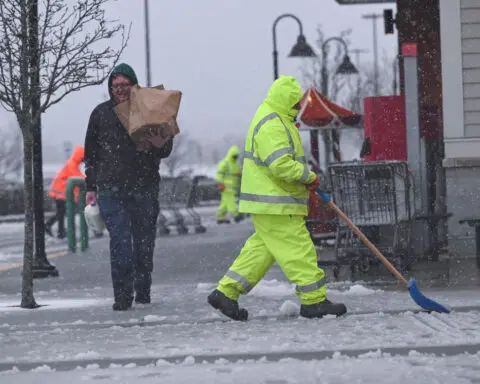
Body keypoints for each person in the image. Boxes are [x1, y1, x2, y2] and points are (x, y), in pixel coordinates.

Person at [207, 76, 347, 321]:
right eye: (295, 103)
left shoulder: (274, 118)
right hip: (277, 202)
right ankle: (314, 301)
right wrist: (309, 176)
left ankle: (226, 292)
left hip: (271, 202)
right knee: (299, 249)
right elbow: (280, 165)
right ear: (287, 101)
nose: (298, 108)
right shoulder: (273, 124)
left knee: (261, 250)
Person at [84, 63, 173, 311]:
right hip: (112, 190)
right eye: (116, 86)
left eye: (125, 85)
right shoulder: (100, 114)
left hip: (144, 188)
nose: (120, 90)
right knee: (121, 242)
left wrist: (159, 144)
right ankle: (122, 296)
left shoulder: (149, 110)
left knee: (144, 243)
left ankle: (143, 290)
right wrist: (91, 185)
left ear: (134, 86)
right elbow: (91, 154)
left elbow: (165, 149)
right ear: (110, 88)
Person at [46, 146, 85, 239]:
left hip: (61, 192)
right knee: (61, 212)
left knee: (61, 212)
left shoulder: (73, 163)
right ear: (80, 156)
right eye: (83, 158)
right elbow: (78, 177)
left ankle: (58, 231)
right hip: (60, 192)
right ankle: (55, 229)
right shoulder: (72, 164)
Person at [215, 145, 243, 224]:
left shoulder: (236, 164)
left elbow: (238, 173)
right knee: (231, 202)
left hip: (233, 187)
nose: (235, 157)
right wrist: (220, 184)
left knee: (224, 204)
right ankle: (236, 215)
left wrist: (240, 174)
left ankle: (220, 217)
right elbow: (219, 175)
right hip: (225, 187)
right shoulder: (224, 163)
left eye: (236, 156)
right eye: (234, 156)